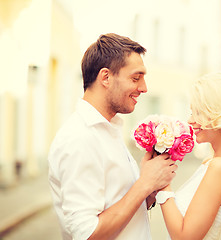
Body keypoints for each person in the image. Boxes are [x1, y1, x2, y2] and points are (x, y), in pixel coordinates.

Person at [48, 33, 177, 240]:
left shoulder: (108, 129)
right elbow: (87, 233)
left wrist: (150, 188)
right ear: (106, 77)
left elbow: (120, 204)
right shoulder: (79, 138)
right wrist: (144, 183)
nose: (144, 88)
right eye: (136, 78)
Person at [155, 72, 221, 240]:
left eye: (198, 112)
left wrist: (162, 183)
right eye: (191, 112)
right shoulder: (215, 163)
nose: (190, 120)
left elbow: (184, 237)